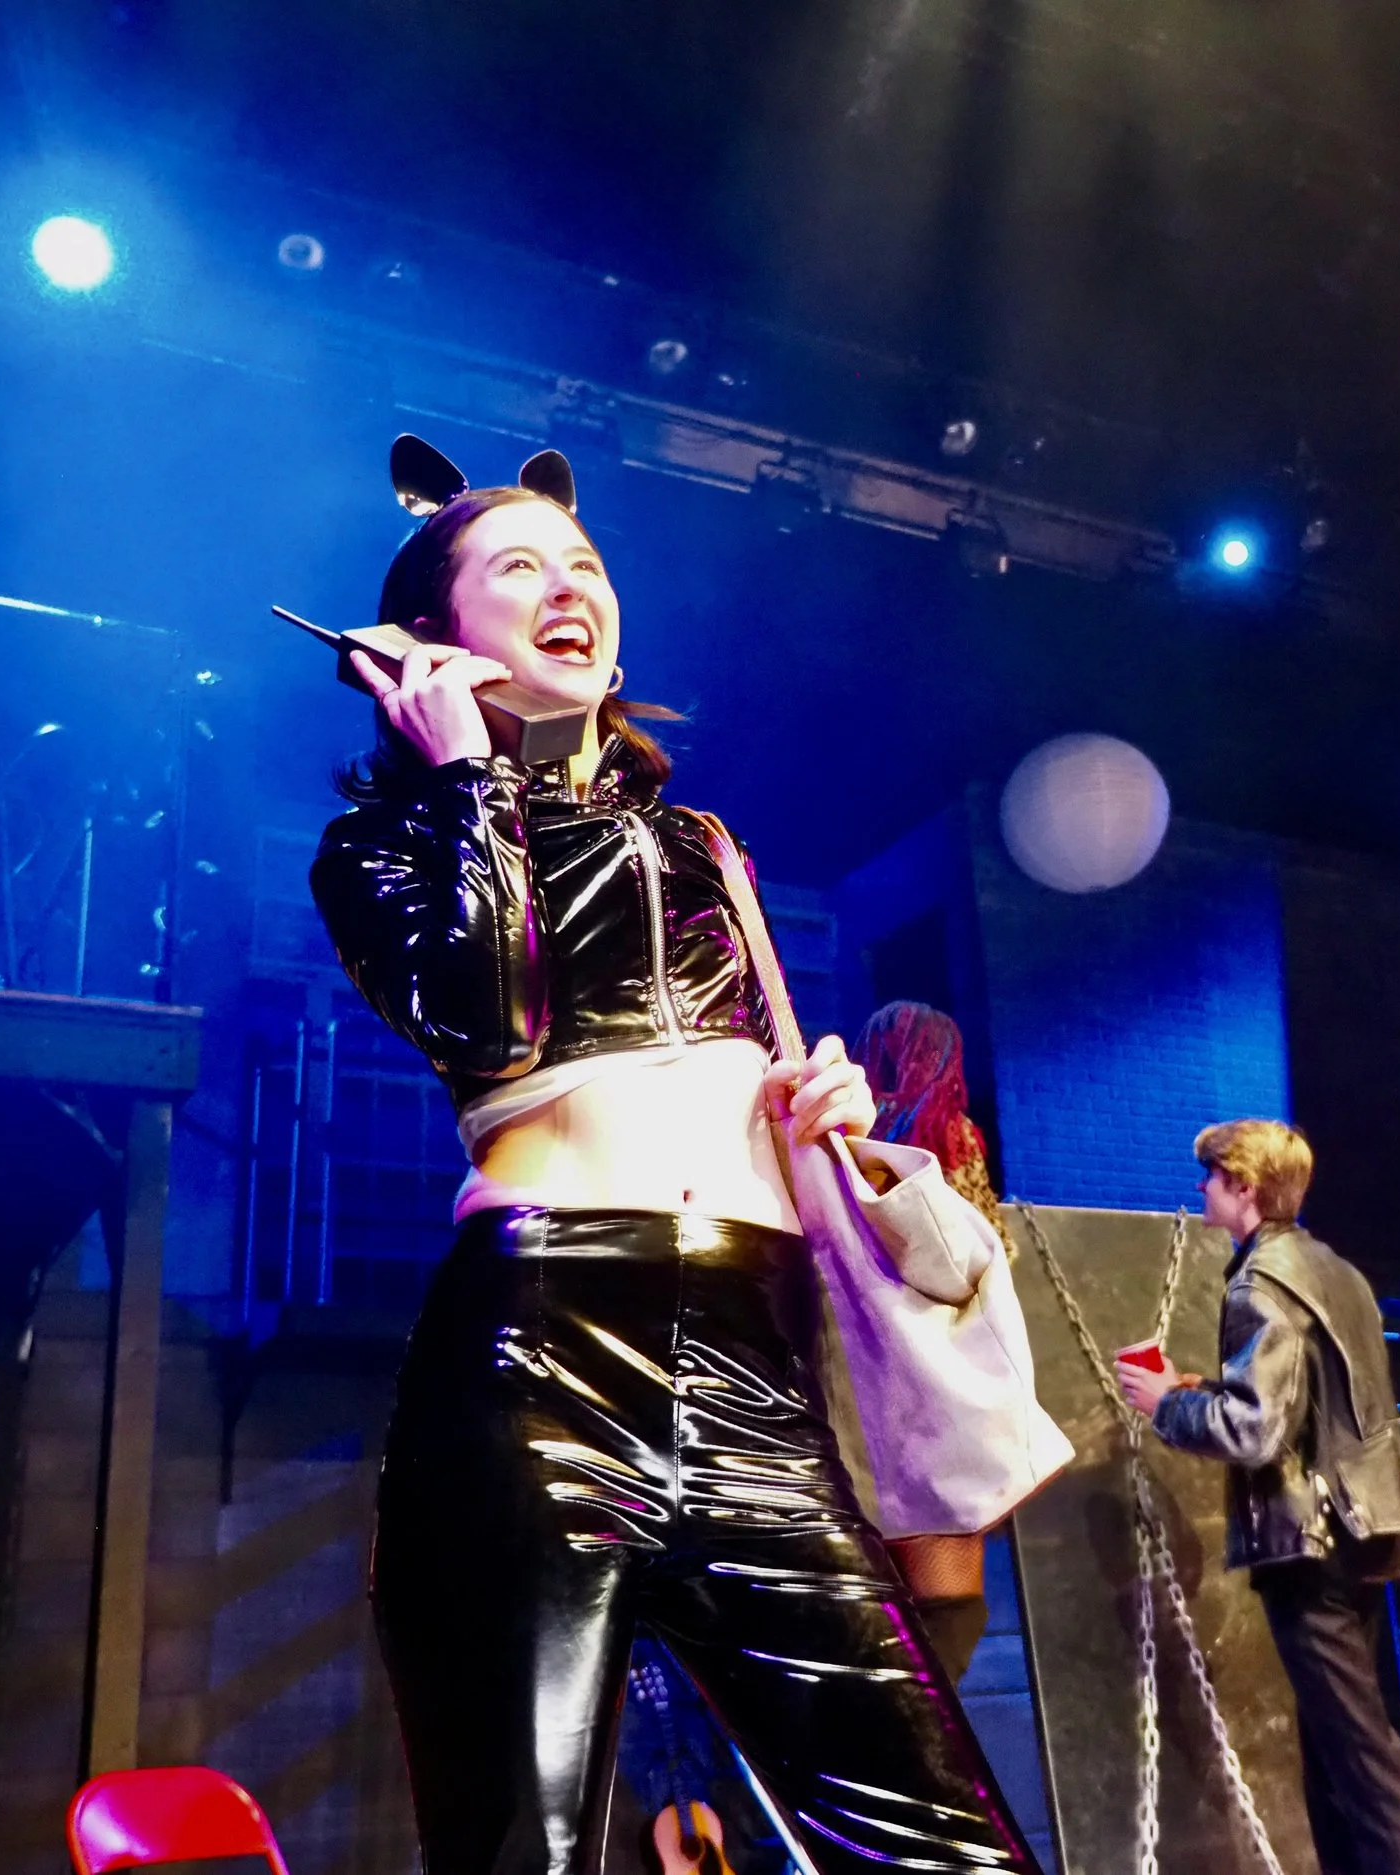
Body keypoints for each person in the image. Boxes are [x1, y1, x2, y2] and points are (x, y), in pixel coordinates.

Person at [311, 438, 1042, 1875]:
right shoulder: (383, 842)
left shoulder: (702, 840)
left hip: (752, 1362)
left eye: (585, 564)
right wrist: (466, 769)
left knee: (947, 1845)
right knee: (523, 1845)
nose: (569, 586)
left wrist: (818, 1094)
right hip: (539, 1346)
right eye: (516, 566)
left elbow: (732, 1057)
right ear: (428, 634)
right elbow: (492, 1013)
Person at [1115, 1119, 1400, 1875]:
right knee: (1339, 1747)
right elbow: (1310, 1406)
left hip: (1312, 1541)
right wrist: (1207, 1388)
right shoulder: (1337, 1269)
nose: (1201, 1189)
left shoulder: (1261, 1278)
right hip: (1365, 1527)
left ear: (1244, 1186)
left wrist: (1168, 1402)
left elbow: (1257, 1429)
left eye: (1211, 1177)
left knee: (1362, 1757)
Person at [855, 1001, 1000, 1683]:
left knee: (883, 1591)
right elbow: (982, 1253)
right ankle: (919, 1745)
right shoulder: (948, 1130)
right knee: (950, 1606)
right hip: (938, 1375)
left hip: (863, 1378)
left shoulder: (850, 1137)